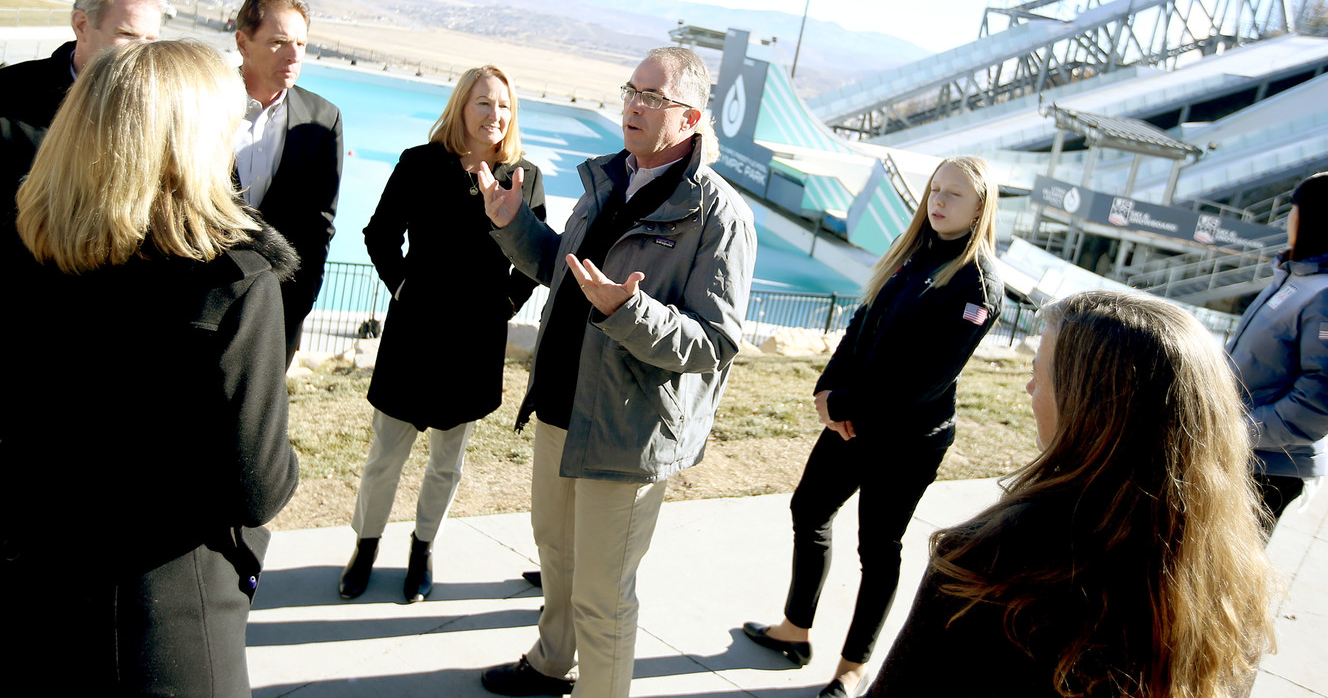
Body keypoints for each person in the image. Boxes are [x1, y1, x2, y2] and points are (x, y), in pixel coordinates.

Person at [4, 40, 300, 693]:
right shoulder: (232, 282)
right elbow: (259, 488)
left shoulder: (26, 249)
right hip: (161, 624)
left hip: (30, 592)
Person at [477, 46, 757, 698]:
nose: (632, 103)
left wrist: (631, 313)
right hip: (559, 408)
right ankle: (551, 663)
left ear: (688, 117)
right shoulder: (607, 179)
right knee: (557, 557)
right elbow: (567, 275)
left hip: (627, 434)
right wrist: (514, 226)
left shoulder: (719, 215)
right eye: (632, 89)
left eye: (651, 97)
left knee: (604, 595)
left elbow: (712, 342)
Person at [869, 291, 1275, 697]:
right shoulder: (1237, 578)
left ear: (1092, 408)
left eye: (1039, 374)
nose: (1029, 388)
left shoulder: (991, 561)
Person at [742, 156, 1004, 698]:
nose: (938, 201)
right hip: (851, 420)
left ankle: (853, 667)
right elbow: (861, 323)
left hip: (908, 440)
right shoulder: (913, 252)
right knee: (809, 508)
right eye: (935, 189)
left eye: (954, 194)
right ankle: (795, 630)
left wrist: (846, 405)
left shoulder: (978, 285)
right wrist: (826, 392)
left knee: (878, 547)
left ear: (982, 207)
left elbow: (926, 380)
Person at [338, 65, 545, 603]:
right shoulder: (419, 164)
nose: (494, 115)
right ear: (461, 107)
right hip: (414, 335)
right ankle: (365, 547)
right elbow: (379, 233)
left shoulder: (523, 178)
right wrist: (402, 286)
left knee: (447, 462)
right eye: (483, 103)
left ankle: (422, 549)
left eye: (503, 105)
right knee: (386, 455)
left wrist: (506, 304)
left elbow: (535, 260)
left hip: (474, 344)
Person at [234, 0, 344, 366]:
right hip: (192, 303)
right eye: (280, 42)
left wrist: (301, 303)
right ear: (243, 42)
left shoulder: (323, 118)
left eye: (301, 43)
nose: (295, 54)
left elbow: (321, 224)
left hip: (277, 312)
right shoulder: (201, 100)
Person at [0, 0, 165, 198]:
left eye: (150, 40)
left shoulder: (163, 109)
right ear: (81, 25)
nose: (141, 52)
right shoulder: (10, 93)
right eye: (127, 35)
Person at [1227, 171, 1328, 533]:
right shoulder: (1294, 277)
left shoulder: (1323, 294)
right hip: (1243, 453)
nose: (1287, 219)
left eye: (1293, 209)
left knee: (1220, 576)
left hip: (1267, 467)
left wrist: (1239, 431)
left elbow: (1318, 400)